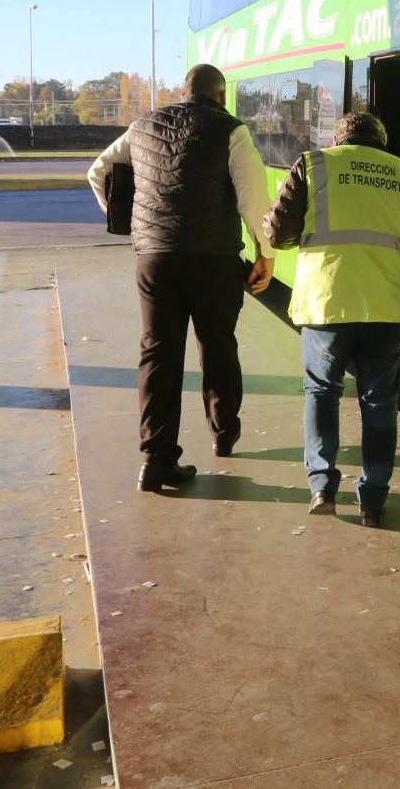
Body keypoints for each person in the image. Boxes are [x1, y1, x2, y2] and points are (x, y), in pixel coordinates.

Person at [88, 63, 276, 493]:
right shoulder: (231, 129)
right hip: (213, 260)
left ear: (182, 91)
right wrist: (266, 254)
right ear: (221, 95)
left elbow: (97, 171)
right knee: (217, 344)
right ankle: (223, 432)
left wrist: (132, 224)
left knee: (157, 352)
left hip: (155, 259)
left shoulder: (141, 127)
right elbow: (252, 197)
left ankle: (156, 461)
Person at [262, 112, 400, 527]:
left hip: (327, 304)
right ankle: (373, 499)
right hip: (384, 308)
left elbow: (277, 234)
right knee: (379, 402)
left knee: (321, 392)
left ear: (338, 138)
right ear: (381, 142)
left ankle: (322, 487)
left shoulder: (313, 165)